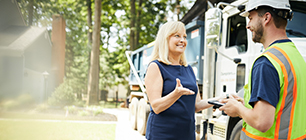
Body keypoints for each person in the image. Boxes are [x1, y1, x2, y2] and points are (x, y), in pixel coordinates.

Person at [219, 0, 306, 139]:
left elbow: (262, 122)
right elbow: (285, 105)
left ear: (266, 18)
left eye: (251, 18)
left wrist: (238, 109)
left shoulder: (267, 62)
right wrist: (246, 104)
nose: (247, 25)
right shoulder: (295, 56)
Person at [144, 21, 222, 140]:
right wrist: (176, 94)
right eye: (177, 36)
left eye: (184, 37)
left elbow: (196, 105)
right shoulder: (156, 67)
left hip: (187, 134)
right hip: (163, 134)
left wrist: (219, 100)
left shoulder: (188, 69)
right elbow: (156, 107)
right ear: (165, 39)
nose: (182, 40)